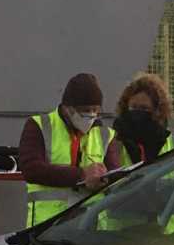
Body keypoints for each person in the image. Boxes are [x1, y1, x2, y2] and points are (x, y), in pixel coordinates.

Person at [17, 72, 119, 226]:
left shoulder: (105, 135)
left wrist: (105, 179)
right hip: (47, 226)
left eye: (95, 110)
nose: (91, 115)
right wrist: (81, 175)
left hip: (90, 225)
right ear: (67, 108)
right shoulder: (39, 125)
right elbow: (31, 169)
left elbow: (116, 176)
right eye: (85, 110)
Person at [112, 73, 174, 166]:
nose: (138, 112)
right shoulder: (114, 138)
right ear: (125, 106)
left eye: (144, 108)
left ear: (157, 110)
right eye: (134, 107)